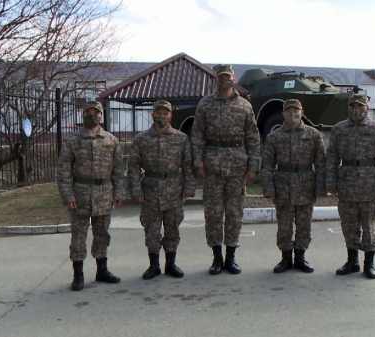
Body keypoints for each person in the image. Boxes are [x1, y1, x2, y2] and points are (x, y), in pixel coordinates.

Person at [191, 64, 260, 275]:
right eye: (220, 77)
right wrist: (198, 164)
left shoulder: (245, 106)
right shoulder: (205, 105)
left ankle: (231, 257)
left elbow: (253, 139)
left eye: (228, 76)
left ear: (234, 77)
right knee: (213, 214)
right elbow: (197, 137)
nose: (224, 80)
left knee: (234, 213)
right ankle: (217, 258)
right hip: (212, 167)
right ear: (216, 80)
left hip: (237, 168)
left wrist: (253, 167)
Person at [56, 100, 125, 291]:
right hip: (80, 196)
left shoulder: (111, 140)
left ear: (101, 116)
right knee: (78, 236)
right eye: (88, 112)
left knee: (102, 234)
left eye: (95, 112)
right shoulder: (72, 141)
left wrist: (119, 192)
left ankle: (102, 270)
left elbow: (118, 170)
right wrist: (68, 196)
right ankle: (78, 275)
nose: (91, 115)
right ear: (82, 114)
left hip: (104, 195)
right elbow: (63, 171)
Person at [325, 93, 375, 279]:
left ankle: (369, 263)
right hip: (346, 184)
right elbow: (331, 158)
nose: (356, 109)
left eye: (360, 106)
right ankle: (352, 261)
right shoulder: (339, 130)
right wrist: (330, 182)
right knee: (349, 225)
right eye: (353, 105)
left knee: (369, 225)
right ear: (348, 107)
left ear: (367, 108)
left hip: (369, 185)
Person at [127, 100, 196, 280]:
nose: (162, 116)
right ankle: (154, 265)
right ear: (152, 115)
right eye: (158, 113)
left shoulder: (181, 138)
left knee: (172, 229)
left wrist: (188, 188)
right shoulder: (141, 139)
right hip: (150, 190)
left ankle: (171, 263)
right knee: (152, 230)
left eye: (166, 113)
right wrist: (136, 190)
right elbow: (133, 167)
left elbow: (188, 165)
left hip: (174, 190)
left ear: (170, 116)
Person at [261, 99, 327, 273]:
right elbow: (267, 165)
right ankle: (285, 258)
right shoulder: (274, 137)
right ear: (283, 114)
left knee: (304, 224)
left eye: (295, 110)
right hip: (283, 187)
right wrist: (269, 189)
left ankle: (300, 257)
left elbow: (321, 163)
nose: (292, 114)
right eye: (288, 111)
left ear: (302, 112)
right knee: (284, 225)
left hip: (306, 185)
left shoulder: (313, 135)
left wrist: (321, 187)